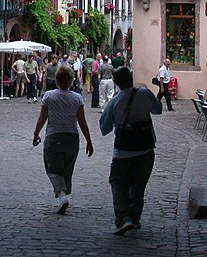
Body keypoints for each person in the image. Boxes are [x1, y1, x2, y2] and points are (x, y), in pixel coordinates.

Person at [100, 69, 162, 234]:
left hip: (123, 151)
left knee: (118, 183)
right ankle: (134, 218)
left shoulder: (115, 101)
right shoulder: (144, 93)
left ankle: (123, 218)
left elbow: (104, 128)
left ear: (116, 82)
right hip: (146, 148)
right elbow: (158, 109)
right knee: (138, 185)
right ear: (131, 78)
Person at [33, 65, 94, 214]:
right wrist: (89, 141)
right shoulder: (77, 98)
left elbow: (42, 118)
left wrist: (36, 133)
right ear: (71, 80)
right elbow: (82, 121)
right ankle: (63, 194)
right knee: (67, 169)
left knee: (53, 168)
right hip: (72, 137)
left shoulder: (49, 96)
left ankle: (62, 196)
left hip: (54, 135)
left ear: (57, 80)